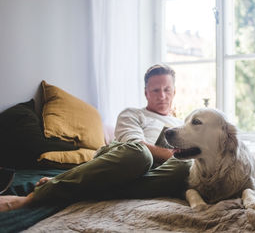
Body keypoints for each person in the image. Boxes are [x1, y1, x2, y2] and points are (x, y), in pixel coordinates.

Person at [0, 64, 192, 212]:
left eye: (167, 90)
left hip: (156, 173)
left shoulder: (182, 124)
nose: (162, 96)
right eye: (156, 90)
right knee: (141, 155)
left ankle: (81, 185)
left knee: (185, 166)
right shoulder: (132, 113)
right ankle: (33, 197)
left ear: (174, 92)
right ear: (146, 93)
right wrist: (173, 154)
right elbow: (135, 145)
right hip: (123, 161)